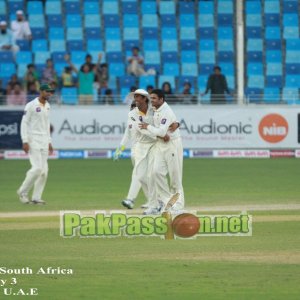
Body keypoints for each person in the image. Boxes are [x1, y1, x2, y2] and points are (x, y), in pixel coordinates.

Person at [139, 89, 184, 214]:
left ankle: (178, 206)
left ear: (161, 99)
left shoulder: (166, 111)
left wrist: (147, 127)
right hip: (160, 144)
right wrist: (155, 132)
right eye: (151, 98)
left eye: (154, 98)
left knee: (175, 177)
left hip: (172, 145)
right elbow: (156, 132)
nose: (151, 100)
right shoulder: (153, 109)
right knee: (156, 173)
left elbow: (162, 132)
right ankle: (167, 202)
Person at [17, 84, 54, 204]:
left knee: (44, 172)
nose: (49, 93)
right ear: (41, 91)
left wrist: (49, 142)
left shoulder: (48, 106)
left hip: (44, 141)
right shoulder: (31, 105)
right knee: (37, 168)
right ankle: (22, 192)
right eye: (47, 91)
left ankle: (36, 198)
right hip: (33, 140)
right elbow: (24, 123)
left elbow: (47, 125)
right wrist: (25, 140)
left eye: (50, 92)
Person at [114, 100, 149, 209]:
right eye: (132, 107)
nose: (134, 109)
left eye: (136, 107)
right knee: (143, 177)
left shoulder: (145, 120)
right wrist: (119, 150)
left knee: (137, 175)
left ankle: (130, 199)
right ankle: (154, 201)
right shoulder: (130, 121)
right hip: (134, 153)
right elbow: (126, 136)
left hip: (144, 152)